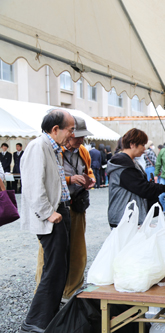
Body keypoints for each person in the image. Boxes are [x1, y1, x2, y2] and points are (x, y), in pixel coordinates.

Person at [19, 109, 75, 333]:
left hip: (59, 212)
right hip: (52, 216)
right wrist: (47, 212)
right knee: (53, 269)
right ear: (55, 129)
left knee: (59, 268)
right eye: (69, 130)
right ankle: (36, 321)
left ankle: (47, 316)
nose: (71, 135)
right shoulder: (38, 146)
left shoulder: (52, 148)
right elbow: (33, 185)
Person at [35, 116, 96, 301]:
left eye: (82, 137)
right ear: (66, 133)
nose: (80, 140)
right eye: (77, 136)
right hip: (56, 207)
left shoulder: (83, 151)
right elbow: (45, 179)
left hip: (76, 204)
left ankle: (72, 289)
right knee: (51, 252)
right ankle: (44, 291)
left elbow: (89, 170)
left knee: (77, 249)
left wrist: (89, 179)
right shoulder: (50, 149)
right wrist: (71, 179)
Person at [107, 128, 165, 229]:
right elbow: (143, 188)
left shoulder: (130, 162)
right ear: (132, 144)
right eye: (142, 145)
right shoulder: (123, 166)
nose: (144, 149)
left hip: (129, 218)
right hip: (123, 219)